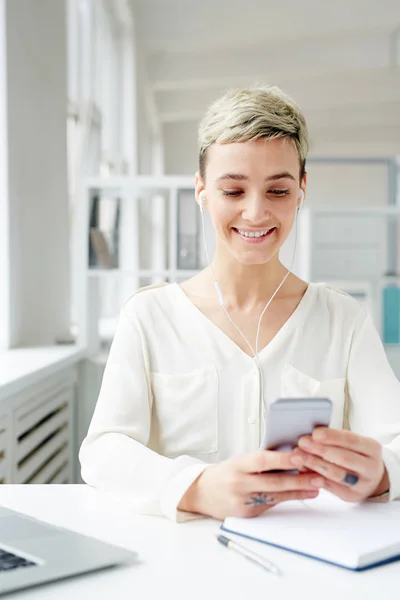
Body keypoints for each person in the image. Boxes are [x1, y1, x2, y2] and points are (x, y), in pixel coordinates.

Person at [79, 85, 400, 523]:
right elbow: (103, 450)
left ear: (302, 190)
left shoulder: (342, 319)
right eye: (233, 191)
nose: (255, 213)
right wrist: (196, 488)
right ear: (201, 190)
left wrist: (382, 473)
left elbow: (395, 443)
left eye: (278, 192)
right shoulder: (149, 316)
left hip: (309, 569)